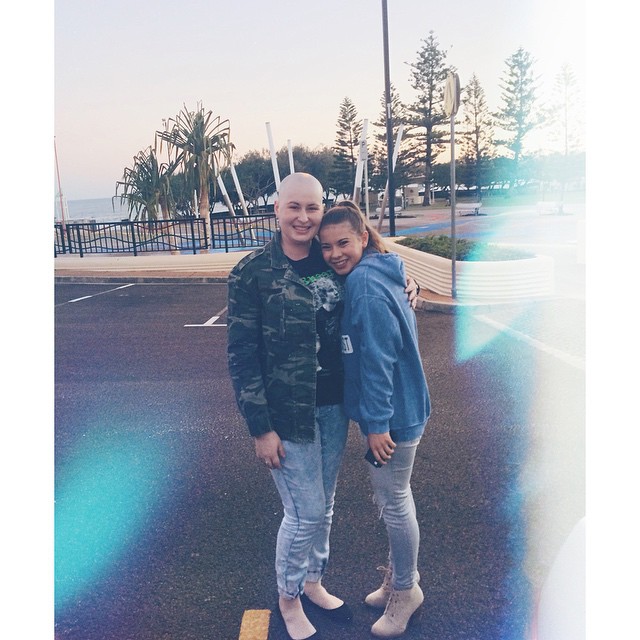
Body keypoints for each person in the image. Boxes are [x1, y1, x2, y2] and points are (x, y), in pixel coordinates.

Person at [227, 174, 418, 640]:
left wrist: (407, 284)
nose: (303, 217)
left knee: (325, 505)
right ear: (277, 209)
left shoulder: (330, 257)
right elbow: (242, 355)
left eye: (312, 207)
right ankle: (289, 597)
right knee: (304, 512)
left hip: (334, 406)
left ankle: (313, 580)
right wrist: (260, 428)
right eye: (294, 207)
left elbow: (377, 273)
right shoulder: (253, 272)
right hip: (286, 414)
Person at [318, 202, 431, 638]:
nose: (334, 254)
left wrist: (378, 424)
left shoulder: (365, 284)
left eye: (343, 243)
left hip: (393, 413)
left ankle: (406, 590)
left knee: (395, 502)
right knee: (391, 499)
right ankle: (398, 579)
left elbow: (378, 359)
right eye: (326, 247)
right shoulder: (375, 272)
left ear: (363, 238)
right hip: (397, 407)